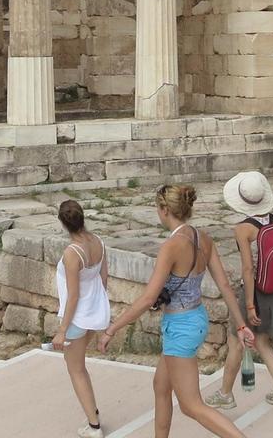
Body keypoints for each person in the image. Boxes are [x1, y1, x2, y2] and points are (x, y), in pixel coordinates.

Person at [98, 185, 256, 438]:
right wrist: (241, 324)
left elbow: (149, 297)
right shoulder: (202, 237)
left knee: (191, 405)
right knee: (161, 385)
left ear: (164, 210)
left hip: (180, 327)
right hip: (195, 319)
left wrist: (111, 329)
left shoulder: (171, 246)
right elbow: (224, 284)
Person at [205, 171, 273, 412]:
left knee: (237, 343)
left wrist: (248, 305)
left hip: (254, 293)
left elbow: (247, 268)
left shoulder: (243, 229)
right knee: (264, 343)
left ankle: (225, 394)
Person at [52, 200, 112, 438]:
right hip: (94, 314)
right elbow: (104, 278)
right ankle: (92, 411)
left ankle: (94, 425)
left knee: (75, 369)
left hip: (77, 318)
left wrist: (62, 330)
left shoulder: (71, 253)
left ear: (62, 223)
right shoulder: (99, 242)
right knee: (81, 367)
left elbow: (73, 295)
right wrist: (100, 309)